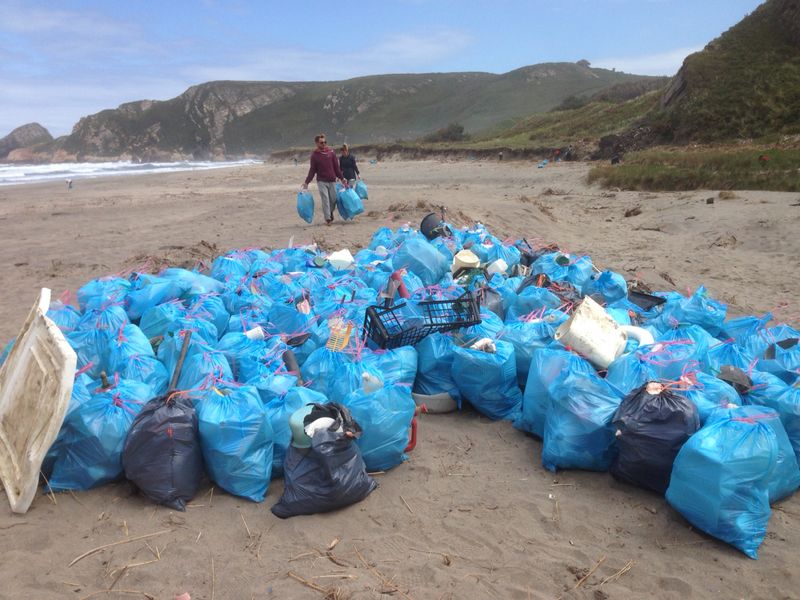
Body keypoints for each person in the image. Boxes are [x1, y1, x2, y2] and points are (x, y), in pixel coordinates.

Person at [302, 134, 346, 225]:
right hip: (321, 181)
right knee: (325, 199)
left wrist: (342, 178)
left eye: (325, 142)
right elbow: (312, 170)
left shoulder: (331, 153)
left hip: (332, 180)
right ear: (317, 143)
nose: (324, 144)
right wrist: (307, 182)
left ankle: (330, 212)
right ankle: (328, 219)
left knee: (333, 199)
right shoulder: (314, 155)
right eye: (321, 142)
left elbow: (336, 168)